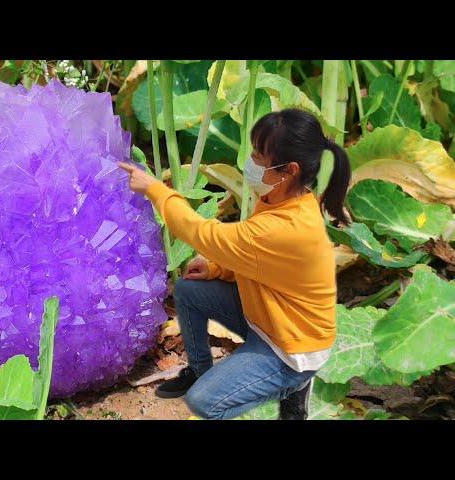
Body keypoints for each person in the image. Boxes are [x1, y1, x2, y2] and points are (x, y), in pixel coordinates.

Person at [118, 108, 351, 420]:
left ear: (288, 170)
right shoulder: (283, 199)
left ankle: (294, 384)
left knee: (204, 403)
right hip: (271, 317)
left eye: (258, 155)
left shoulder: (286, 227)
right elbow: (262, 262)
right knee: (189, 289)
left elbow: (203, 234)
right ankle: (200, 371)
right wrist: (218, 270)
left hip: (293, 347)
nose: (250, 161)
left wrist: (156, 190)